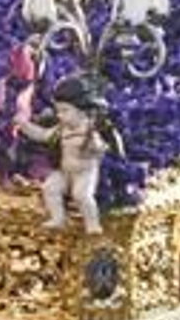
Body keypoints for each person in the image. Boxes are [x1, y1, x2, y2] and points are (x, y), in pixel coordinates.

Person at [14, 75, 121, 234]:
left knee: (82, 195)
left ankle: (92, 223)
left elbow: (101, 148)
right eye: (58, 111)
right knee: (50, 187)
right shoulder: (60, 130)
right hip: (64, 171)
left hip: (84, 173)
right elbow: (42, 135)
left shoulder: (89, 131)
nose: (59, 115)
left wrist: (95, 147)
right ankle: (58, 218)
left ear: (81, 111)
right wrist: (24, 126)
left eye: (65, 111)